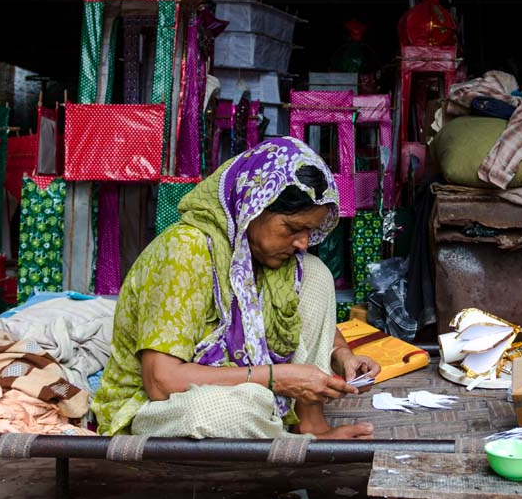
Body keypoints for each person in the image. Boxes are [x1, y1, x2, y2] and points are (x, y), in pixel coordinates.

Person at [92, 137, 379, 439]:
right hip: (155, 406)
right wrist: (276, 379)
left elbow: (299, 315)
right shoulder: (185, 251)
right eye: (293, 229)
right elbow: (161, 382)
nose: (303, 242)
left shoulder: (262, 255)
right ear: (252, 207)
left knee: (314, 271)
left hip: (245, 388)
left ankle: (309, 424)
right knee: (230, 411)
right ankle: (285, 439)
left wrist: (344, 356)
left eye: (310, 230)